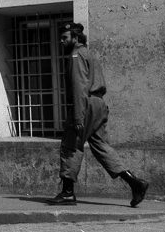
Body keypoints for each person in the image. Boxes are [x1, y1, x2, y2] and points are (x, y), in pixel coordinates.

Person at [50, 23, 148, 207]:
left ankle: (68, 193)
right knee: (101, 146)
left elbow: (79, 87)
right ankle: (135, 183)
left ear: (76, 38)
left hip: (85, 104)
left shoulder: (76, 55)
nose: (61, 41)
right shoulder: (90, 54)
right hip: (98, 104)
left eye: (65, 37)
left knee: (71, 145)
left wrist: (78, 117)